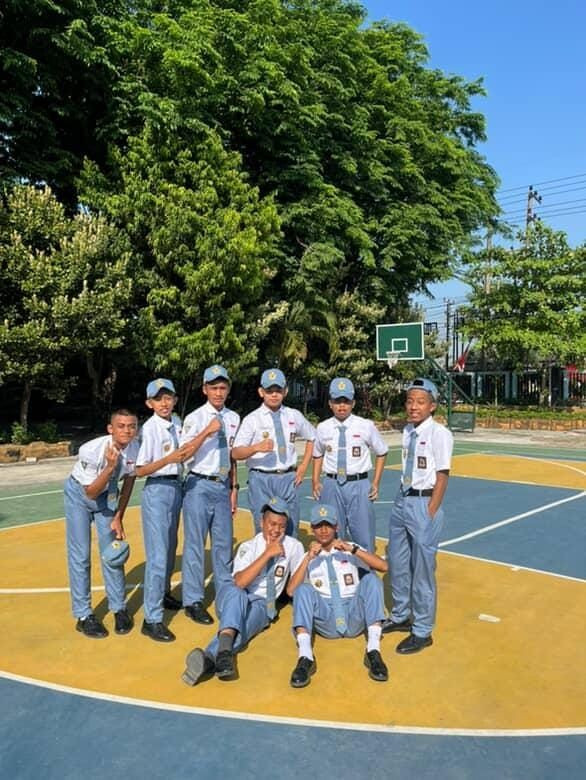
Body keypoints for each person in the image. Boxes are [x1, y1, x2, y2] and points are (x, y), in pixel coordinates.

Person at [181, 497, 305, 685]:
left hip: (263, 603)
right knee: (237, 594)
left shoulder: (294, 547)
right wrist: (267, 554)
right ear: (261, 522)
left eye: (281, 526)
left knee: (244, 627)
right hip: (235, 598)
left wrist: (307, 560)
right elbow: (240, 582)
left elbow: (293, 589)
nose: (276, 530)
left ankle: (211, 658)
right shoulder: (248, 546)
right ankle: (221, 655)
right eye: (272, 524)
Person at [383, 378, 453, 654]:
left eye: (420, 402)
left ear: (432, 406)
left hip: (424, 503)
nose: (413, 406)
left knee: (422, 569)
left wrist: (431, 510)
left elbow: (442, 475)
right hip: (403, 499)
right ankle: (401, 614)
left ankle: (422, 630)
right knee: (398, 561)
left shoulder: (440, 434)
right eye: (410, 401)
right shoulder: (407, 431)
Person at [287, 503, 388, 687]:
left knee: (371, 580)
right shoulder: (309, 556)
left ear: (337, 527)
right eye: (318, 526)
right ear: (312, 528)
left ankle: (373, 651)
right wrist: (308, 559)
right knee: (303, 590)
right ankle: (305, 657)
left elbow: (383, 566)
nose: (324, 530)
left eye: (328, 525)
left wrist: (353, 550)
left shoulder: (350, 548)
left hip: (353, 612)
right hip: (326, 616)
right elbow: (291, 591)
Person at [63, 409, 139, 638]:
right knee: (81, 556)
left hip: (108, 498)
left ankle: (119, 608)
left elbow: (130, 481)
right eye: (121, 426)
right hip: (80, 495)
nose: (127, 431)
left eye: (132, 426)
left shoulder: (136, 447)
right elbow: (90, 493)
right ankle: (83, 615)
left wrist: (118, 517)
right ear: (110, 429)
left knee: (112, 553)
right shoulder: (91, 450)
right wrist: (109, 467)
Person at [179, 365, 240, 626]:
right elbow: (184, 454)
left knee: (223, 545)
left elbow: (233, 455)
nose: (218, 392)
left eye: (222, 387)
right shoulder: (195, 418)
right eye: (213, 387)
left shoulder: (234, 417)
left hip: (222, 485)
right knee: (195, 544)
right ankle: (193, 600)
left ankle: (225, 595)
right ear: (204, 389)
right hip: (198, 485)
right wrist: (206, 432)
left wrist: (234, 488)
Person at [231, 368, 315, 537]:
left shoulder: (293, 415)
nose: (274, 395)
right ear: (261, 392)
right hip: (261, 479)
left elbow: (312, 437)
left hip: (287, 478)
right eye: (269, 390)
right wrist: (256, 448)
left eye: (278, 390)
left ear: (285, 391)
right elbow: (235, 453)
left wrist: (303, 466)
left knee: (290, 528)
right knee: (264, 530)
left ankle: (288, 555)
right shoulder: (252, 419)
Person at [135, 378, 189, 642]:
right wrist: (169, 459)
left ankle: (163, 593)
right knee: (157, 555)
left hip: (176, 486)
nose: (164, 403)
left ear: (175, 400)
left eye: (168, 398)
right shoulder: (150, 429)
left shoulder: (177, 423)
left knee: (169, 548)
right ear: (150, 403)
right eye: (158, 399)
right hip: (157, 489)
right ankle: (152, 619)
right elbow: (140, 469)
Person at [312, 377, 388, 552]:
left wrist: (375, 482)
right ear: (330, 403)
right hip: (331, 484)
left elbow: (382, 451)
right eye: (337, 401)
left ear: (353, 403)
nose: (341, 406)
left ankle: (365, 568)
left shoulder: (365, 426)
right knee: (331, 533)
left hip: (359, 485)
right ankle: (336, 567)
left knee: (363, 534)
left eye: (346, 401)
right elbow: (317, 454)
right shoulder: (323, 427)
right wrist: (315, 480)